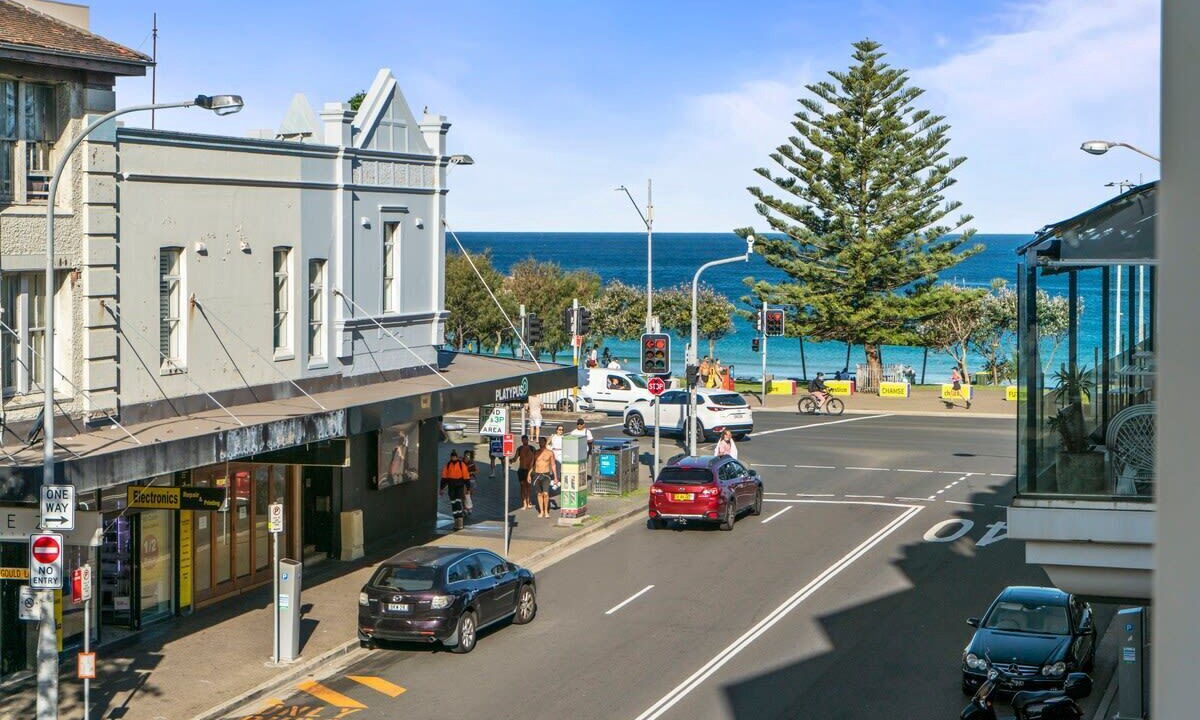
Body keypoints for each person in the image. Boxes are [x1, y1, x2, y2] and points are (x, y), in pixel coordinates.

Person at [439, 450, 471, 529]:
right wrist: (441, 488)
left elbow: (466, 477)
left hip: (459, 486)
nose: (453, 458)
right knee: (453, 503)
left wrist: (468, 488)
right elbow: (444, 478)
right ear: (451, 457)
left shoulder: (461, 464)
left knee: (458, 502)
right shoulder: (448, 465)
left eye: (454, 457)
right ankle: (456, 520)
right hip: (451, 486)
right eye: (452, 457)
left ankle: (459, 521)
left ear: (456, 457)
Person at [531, 437, 559, 518]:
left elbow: (553, 465)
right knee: (539, 494)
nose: (540, 443)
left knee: (546, 494)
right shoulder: (536, 452)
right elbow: (532, 465)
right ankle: (541, 511)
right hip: (537, 474)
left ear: (545, 442)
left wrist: (556, 477)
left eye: (542, 442)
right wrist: (529, 475)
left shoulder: (550, 453)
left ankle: (546, 511)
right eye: (539, 442)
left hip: (546, 475)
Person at [512, 435, 536, 510]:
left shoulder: (532, 448)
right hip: (521, 469)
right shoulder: (519, 449)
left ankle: (528, 501)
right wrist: (509, 460)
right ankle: (524, 503)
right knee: (522, 486)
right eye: (523, 440)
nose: (524, 441)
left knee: (528, 487)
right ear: (522, 441)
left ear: (527, 440)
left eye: (525, 440)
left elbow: (535, 459)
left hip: (530, 470)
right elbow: (515, 458)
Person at [462, 449, 479, 518]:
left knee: (469, 495)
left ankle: (468, 507)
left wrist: (472, 472)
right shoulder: (461, 462)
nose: (467, 457)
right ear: (464, 455)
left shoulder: (472, 462)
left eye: (468, 455)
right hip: (463, 480)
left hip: (471, 480)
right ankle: (465, 508)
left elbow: (477, 471)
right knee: (464, 495)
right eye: (466, 455)